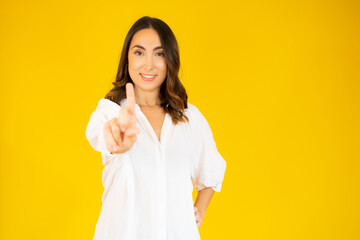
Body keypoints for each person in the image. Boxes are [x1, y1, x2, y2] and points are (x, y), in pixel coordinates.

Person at [85, 16, 226, 240]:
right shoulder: (111, 112)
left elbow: (211, 170)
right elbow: (100, 133)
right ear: (127, 58)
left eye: (159, 54)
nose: (148, 64)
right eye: (139, 52)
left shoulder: (190, 118)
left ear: (170, 59)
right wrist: (117, 139)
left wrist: (199, 210)